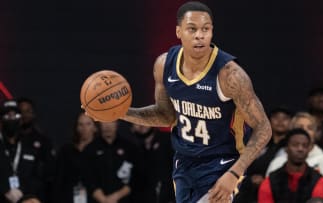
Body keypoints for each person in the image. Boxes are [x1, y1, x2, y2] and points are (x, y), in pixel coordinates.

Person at [85, 1, 271, 202]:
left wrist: (234, 173)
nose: (200, 35)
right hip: (184, 163)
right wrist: (120, 112)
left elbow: (263, 128)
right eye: (192, 29)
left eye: (205, 29)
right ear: (178, 31)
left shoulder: (230, 75)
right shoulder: (164, 65)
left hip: (223, 163)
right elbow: (165, 116)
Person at [266, 112, 323, 203]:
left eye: (310, 128)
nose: (305, 130)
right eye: (300, 127)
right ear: (292, 130)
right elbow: (267, 192)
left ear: (315, 132)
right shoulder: (278, 161)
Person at [234, 107, 292, 203]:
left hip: (278, 190)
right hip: (249, 189)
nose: (280, 121)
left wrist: (266, 180)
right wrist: (250, 179)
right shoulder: (259, 141)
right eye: (276, 117)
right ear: (269, 120)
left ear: (291, 121)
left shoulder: (291, 145)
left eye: (285, 118)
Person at [258, 128, 323, 202]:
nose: (300, 149)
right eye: (295, 145)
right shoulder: (270, 181)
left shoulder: (319, 180)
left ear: (309, 149)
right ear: (286, 148)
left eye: (305, 145)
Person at [0, 100, 46, 203]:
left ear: (21, 119)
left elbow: (38, 176)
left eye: (15, 115)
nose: (11, 119)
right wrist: (4, 189)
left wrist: (23, 191)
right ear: (1, 120)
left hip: (26, 198)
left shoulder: (30, 146)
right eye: (7, 116)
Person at [88, 120, 143, 203]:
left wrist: (116, 197)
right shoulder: (90, 149)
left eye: (112, 121)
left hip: (124, 199)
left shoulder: (130, 148)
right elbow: (87, 177)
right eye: (104, 121)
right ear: (99, 123)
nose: (108, 126)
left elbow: (137, 177)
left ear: (117, 123)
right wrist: (103, 200)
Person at [53, 111, 98, 203]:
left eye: (88, 124)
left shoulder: (100, 151)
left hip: (94, 198)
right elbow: (58, 179)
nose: (84, 128)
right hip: (68, 198)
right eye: (80, 124)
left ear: (95, 128)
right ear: (76, 127)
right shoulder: (66, 150)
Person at [130, 124, 175, 203]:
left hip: (169, 196)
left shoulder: (166, 139)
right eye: (137, 122)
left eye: (144, 120)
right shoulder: (131, 145)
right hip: (143, 197)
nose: (141, 124)